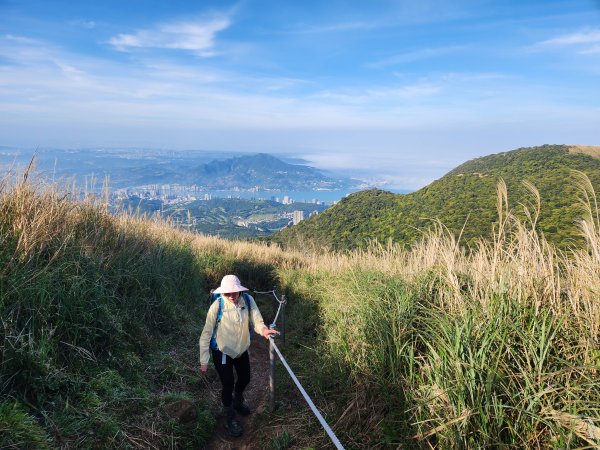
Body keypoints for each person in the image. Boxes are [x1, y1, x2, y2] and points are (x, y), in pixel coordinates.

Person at [199, 274, 278, 437]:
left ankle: (237, 400)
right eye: (227, 293)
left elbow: (257, 321)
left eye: (234, 292)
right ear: (222, 293)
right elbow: (206, 333)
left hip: (241, 350)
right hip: (222, 352)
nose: (231, 296)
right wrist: (204, 360)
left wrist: (263, 330)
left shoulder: (248, 300)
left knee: (245, 378)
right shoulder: (217, 305)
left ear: (240, 291)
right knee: (227, 383)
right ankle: (229, 418)